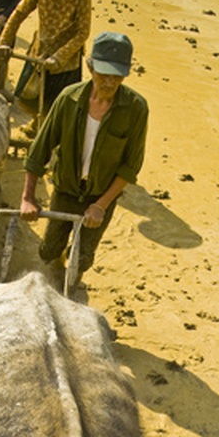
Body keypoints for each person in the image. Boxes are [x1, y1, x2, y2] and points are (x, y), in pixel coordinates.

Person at [19, 31, 148, 280]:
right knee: (48, 251)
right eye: (104, 75)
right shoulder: (69, 99)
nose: (109, 83)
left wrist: (100, 205)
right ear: (90, 67)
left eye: (117, 76)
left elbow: (130, 167)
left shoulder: (136, 109)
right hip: (66, 189)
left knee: (82, 258)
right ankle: (56, 267)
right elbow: (39, 150)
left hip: (101, 194)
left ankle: (73, 277)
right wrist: (27, 197)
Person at [0, 0, 91, 138]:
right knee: (26, 97)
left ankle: (49, 135)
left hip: (66, 60)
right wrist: (5, 41)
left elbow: (83, 32)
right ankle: (37, 122)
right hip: (40, 50)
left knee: (59, 103)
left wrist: (60, 56)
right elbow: (20, 13)